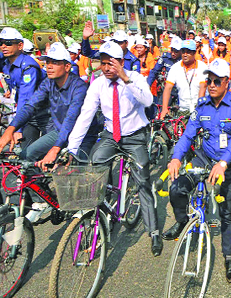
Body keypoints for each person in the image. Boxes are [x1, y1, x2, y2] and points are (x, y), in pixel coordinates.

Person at [66, 41, 161, 257]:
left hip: (135, 136)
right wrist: (72, 147)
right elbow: (86, 114)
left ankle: (153, 230)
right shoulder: (98, 84)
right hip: (111, 135)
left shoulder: (134, 78)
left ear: (120, 62)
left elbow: (147, 101)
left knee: (143, 181)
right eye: (103, 63)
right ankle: (99, 215)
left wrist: (126, 79)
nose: (107, 68)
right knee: (95, 164)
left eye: (111, 64)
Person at [163, 58, 231, 283]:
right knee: (177, 189)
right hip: (203, 159)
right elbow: (188, 134)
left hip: (226, 165)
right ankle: (182, 221)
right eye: (208, 80)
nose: (211, 84)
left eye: (216, 81)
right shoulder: (201, 106)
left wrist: (223, 163)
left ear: (227, 83)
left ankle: (229, 258)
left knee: (227, 214)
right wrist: (175, 158)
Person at [0, 42, 98, 165]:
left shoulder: (79, 87)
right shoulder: (48, 82)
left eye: (55, 63)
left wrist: (56, 148)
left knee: (76, 169)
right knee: (26, 156)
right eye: (47, 62)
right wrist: (10, 129)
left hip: (82, 135)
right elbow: (30, 106)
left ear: (67, 67)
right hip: (59, 131)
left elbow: (71, 118)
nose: (49, 66)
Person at [0, 27, 48, 152]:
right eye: (0, 43)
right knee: (26, 155)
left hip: (47, 114)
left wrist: (17, 128)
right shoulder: (4, 62)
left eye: (8, 43)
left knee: (51, 154)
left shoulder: (29, 66)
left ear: (20, 45)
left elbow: (25, 97)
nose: (3, 46)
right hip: (29, 115)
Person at [159, 39, 208, 119]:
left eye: (188, 52)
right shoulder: (175, 67)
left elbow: (203, 88)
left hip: (201, 107)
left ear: (194, 53)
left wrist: (199, 110)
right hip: (183, 109)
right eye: (183, 51)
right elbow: (168, 88)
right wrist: (164, 109)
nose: (185, 54)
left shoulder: (202, 67)